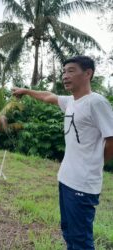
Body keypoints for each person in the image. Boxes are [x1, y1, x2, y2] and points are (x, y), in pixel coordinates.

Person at [12, 55, 113, 249]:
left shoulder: (96, 103)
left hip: (83, 185)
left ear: (88, 73)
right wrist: (25, 91)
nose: (65, 76)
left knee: (81, 240)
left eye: (71, 71)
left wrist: (97, 163)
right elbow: (47, 96)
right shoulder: (71, 101)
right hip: (66, 180)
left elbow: (112, 139)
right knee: (68, 233)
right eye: (64, 72)